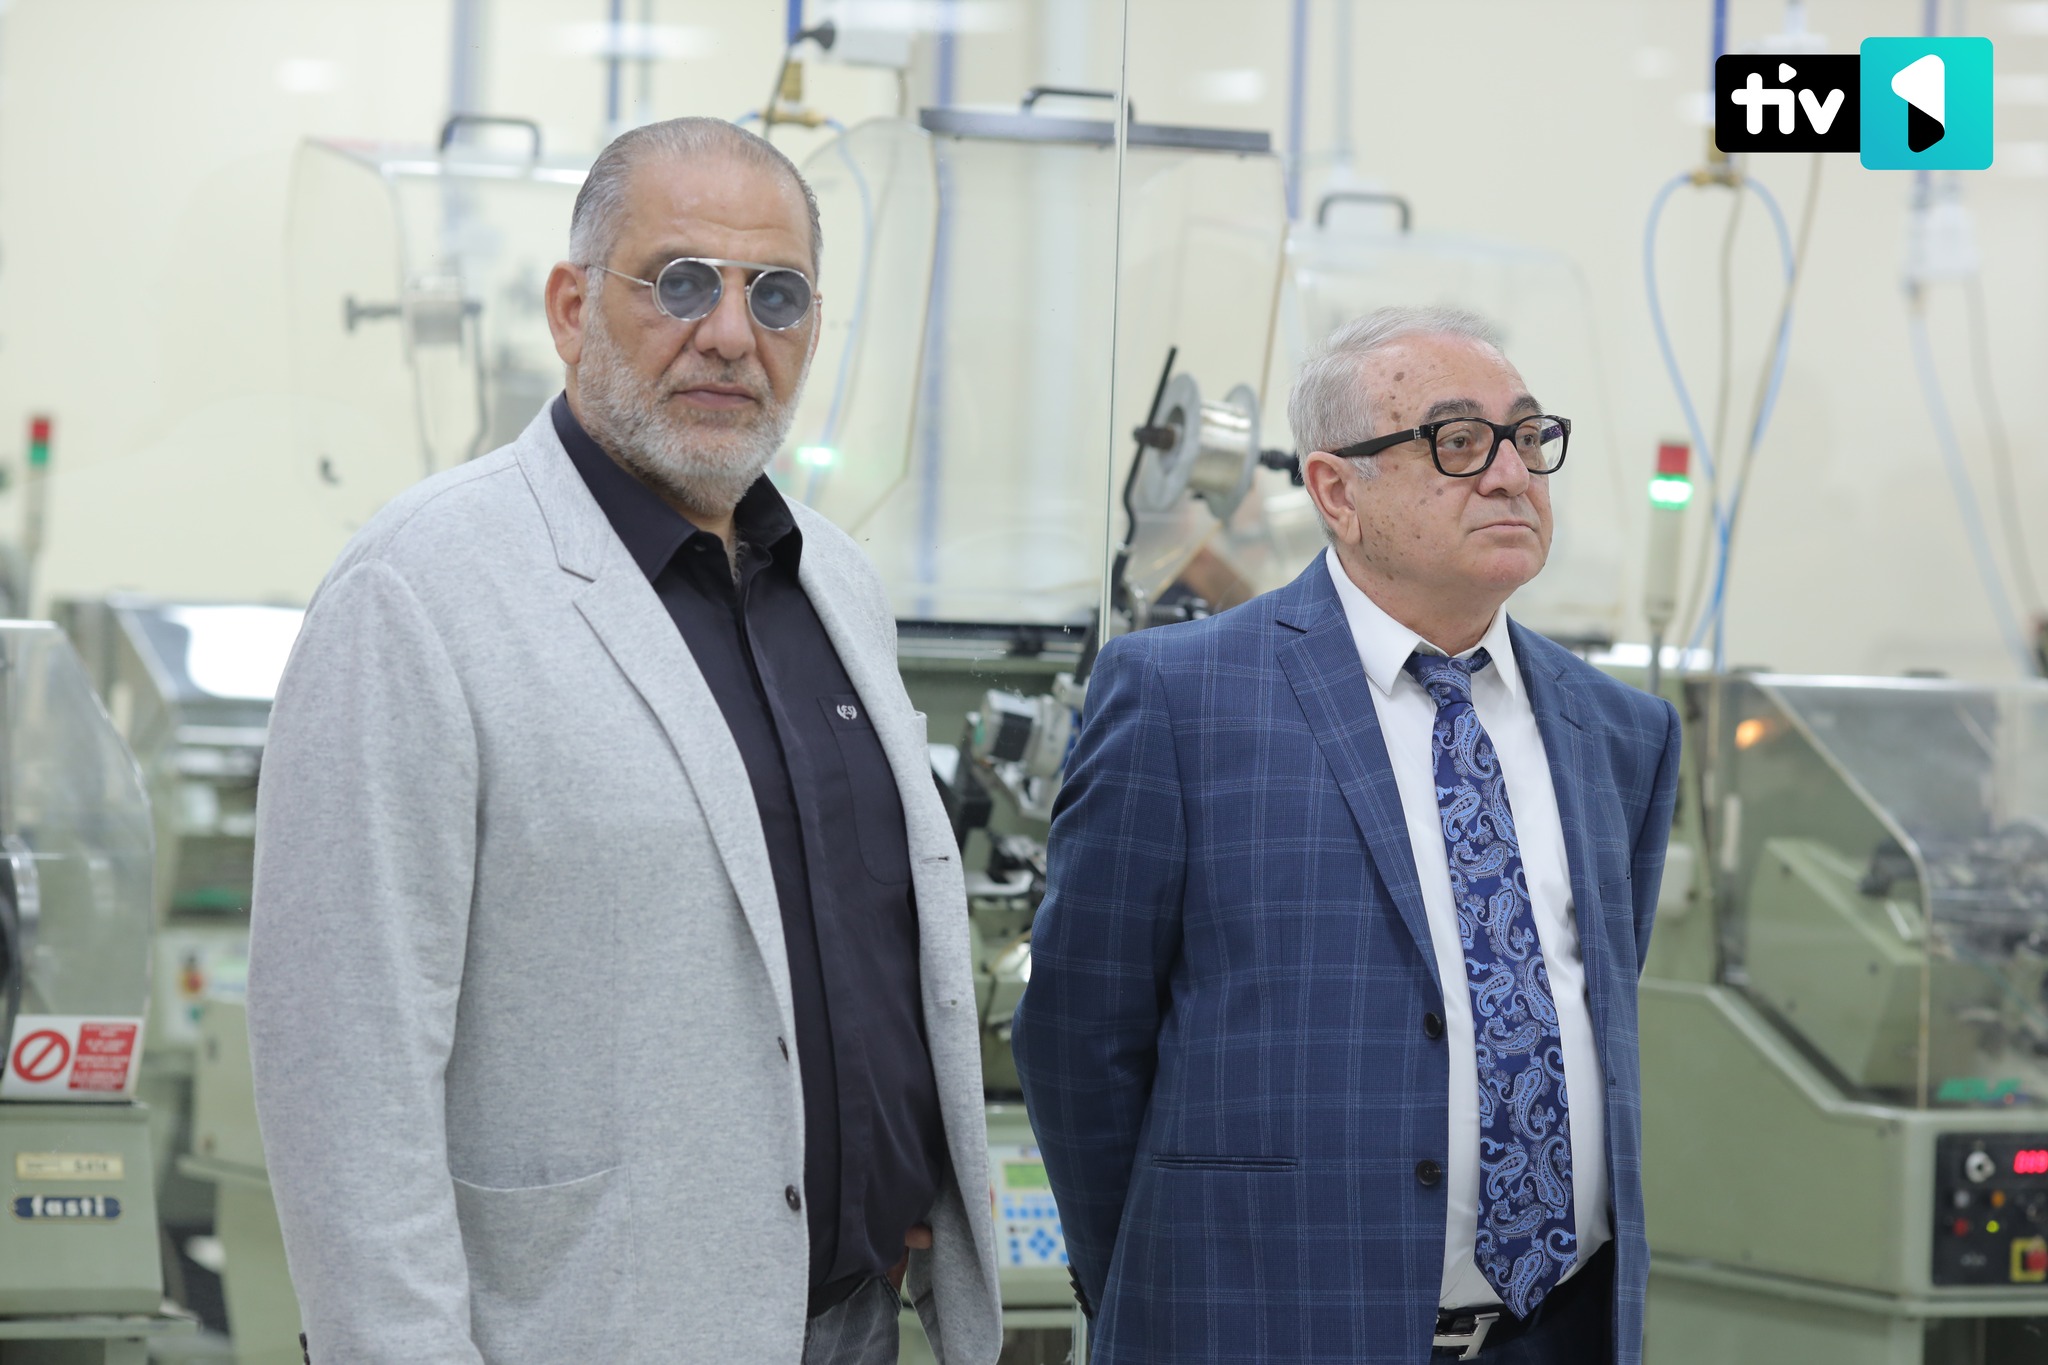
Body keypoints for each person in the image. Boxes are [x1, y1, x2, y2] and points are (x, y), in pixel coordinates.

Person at [248, 117, 1000, 1365]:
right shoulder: (419, 589)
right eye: (681, 284)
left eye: (776, 294)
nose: (730, 334)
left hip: (853, 1324)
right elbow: (343, 1069)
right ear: (569, 308)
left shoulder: (836, 584)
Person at [1012, 306, 1681, 1365]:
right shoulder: (1182, 700)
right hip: (1258, 1331)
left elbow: (1591, 1009)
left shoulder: (1620, 732)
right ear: (1335, 491)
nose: (1511, 475)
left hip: (1555, 1334)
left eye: (1527, 435)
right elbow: (1076, 1039)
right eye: (1458, 442)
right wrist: (1146, 1285)